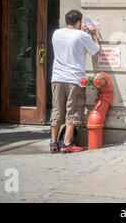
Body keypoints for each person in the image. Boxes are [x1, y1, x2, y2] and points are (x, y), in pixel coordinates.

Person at [50, 9, 100, 153]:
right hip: (74, 79)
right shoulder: (81, 35)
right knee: (72, 110)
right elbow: (96, 50)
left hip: (57, 77)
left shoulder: (56, 33)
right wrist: (92, 34)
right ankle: (66, 144)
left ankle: (53, 143)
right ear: (78, 22)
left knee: (57, 109)